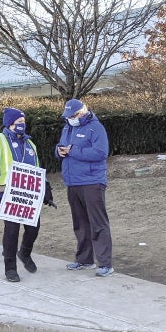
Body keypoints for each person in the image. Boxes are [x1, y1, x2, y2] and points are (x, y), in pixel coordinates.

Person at [0, 108, 54, 282]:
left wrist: (46, 188)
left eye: (23, 122)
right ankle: (10, 267)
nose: (22, 124)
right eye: (19, 121)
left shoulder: (30, 145)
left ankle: (25, 253)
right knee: (12, 231)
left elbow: (37, 168)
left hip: (29, 197)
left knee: (33, 227)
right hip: (8, 195)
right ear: (10, 123)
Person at [55, 98, 114, 277]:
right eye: (68, 116)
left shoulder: (95, 128)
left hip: (91, 182)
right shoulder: (67, 127)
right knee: (80, 223)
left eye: (72, 115)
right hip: (72, 182)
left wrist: (73, 151)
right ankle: (84, 259)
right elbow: (60, 146)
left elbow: (100, 152)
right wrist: (58, 151)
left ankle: (105, 263)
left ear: (82, 112)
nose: (69, 119)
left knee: (98, 222)